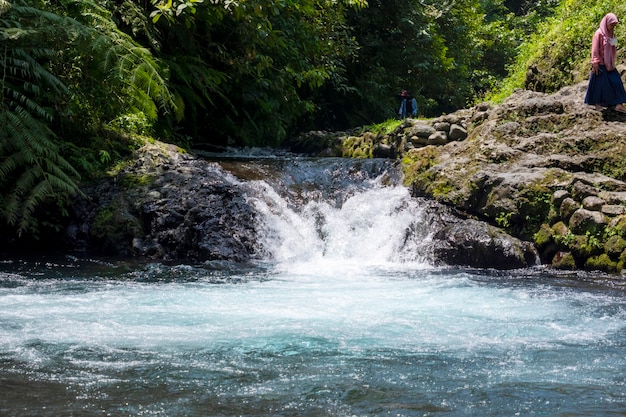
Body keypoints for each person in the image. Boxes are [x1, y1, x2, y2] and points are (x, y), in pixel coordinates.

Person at [585, 13, 626, 113]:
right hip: (600, 64)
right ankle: (597, 104)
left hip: (609, 64)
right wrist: (595, 62)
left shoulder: (610, 33)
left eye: (614, 25)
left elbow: (613, 48)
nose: (612, 27)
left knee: (616, 82)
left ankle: (618, 104)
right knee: (598, 86)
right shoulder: (598, 33)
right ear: (606, 23)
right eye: (611, 24)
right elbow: (594, 49)